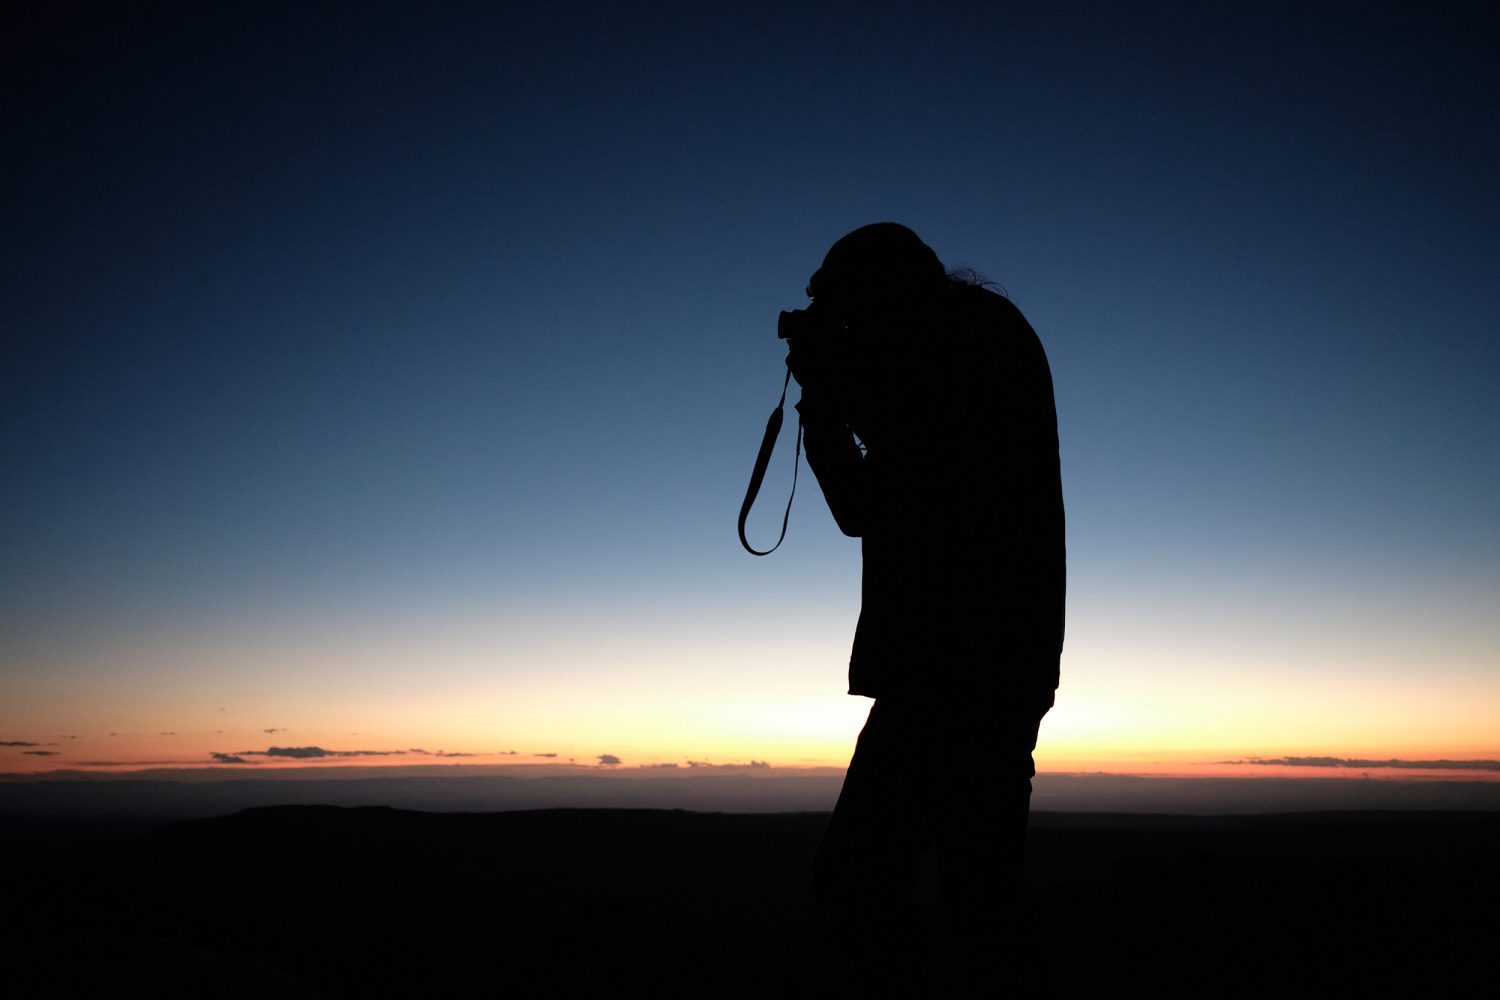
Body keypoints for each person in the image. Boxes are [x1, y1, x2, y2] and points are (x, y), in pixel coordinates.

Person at [784, 223, 1064, 997]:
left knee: (861, 883)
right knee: (978, 896)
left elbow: (868, 502)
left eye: (845, 308)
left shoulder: (959, 350)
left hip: (955, 670)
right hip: (992, 663)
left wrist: (824, 402)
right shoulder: (982, 338)